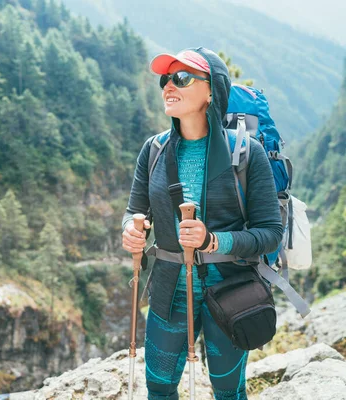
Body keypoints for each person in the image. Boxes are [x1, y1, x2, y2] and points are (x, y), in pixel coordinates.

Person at [121, 47, 283, 400]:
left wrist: (213, 242)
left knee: (227, 390)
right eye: (166, 79)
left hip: (232, 291)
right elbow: (134, 210)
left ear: (212, 91)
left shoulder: (246, 153)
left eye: (182, 78)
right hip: (168, 292)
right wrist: (131, 231)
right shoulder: (154, 151)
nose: (168, 86)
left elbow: (271, 233)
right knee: (159, 387)